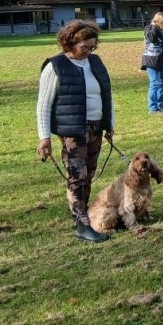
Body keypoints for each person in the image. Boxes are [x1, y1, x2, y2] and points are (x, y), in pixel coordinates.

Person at [37, 20, 115, 243]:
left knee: (88, 174)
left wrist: (109, 124)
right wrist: (44, 138)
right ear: (70, 43)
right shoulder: (55, 66)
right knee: (77, 178)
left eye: (93, 47)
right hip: (72, 131)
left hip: (96, 127)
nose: (89, 51)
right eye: (85, 47)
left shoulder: (95, 62)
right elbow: (43, 105)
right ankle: (81, 225)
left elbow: (106, 94)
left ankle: (84, 216)